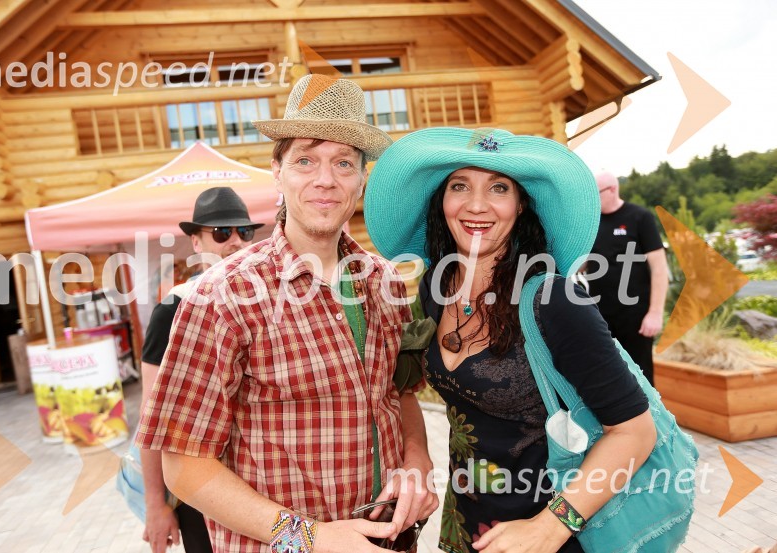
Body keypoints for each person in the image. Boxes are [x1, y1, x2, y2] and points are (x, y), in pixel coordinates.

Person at [136, 74, 438, 553]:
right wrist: (311, 538)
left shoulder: (384, 283)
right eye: (305, 159)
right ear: (276, 171)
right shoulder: (221, 297)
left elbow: (398, 395)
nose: (326, 179)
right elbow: (183, 467)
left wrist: (417, 462)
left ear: (362, 179)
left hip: (390, 539)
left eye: (344, 162)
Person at [364, 127, 658, 553]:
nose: (477, 204)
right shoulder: (434, 287)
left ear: (521, 206)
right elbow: (405, 386)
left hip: (557, 531)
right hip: (469, 525)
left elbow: (634, 433)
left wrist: (552, 527)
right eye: (459, 185)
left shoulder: (554, 300)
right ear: (441, 202)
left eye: (498, 188)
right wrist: (417, 456)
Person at [139, 186, 263, 553]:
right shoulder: (174, 308)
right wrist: (155, 505)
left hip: (264, 488)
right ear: (196, 243)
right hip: (200, 490)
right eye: (222, 233)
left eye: (245, 232)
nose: (236, 242)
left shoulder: (266, 300)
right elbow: (152, 418)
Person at [587, 170, 669, 385]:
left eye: (597, 194)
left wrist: (655, 313)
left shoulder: (639, 217)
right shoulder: (591, 222)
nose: (593, 200)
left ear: (613, 189)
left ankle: (652, 418)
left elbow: (660, 269)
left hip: (635, 315)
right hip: (599, 314)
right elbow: (584, 264)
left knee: (640, 377)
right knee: (605, 376)